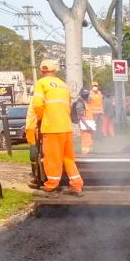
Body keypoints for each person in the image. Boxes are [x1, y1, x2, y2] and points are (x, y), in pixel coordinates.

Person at [32, 59, 84, 198]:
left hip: (51, 127)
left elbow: (37, 104)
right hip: (66, 127)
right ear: (55, 70)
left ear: (41, 70)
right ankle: (76, 185)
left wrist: (40, 119)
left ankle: (51, 186)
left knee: (52, 158)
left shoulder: (41, 83)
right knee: (68, 158)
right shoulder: (63, 85)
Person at [76, 88, 97, 155]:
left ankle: (90, 153)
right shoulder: (80, 103)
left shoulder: (86, 102)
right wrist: (86, 126)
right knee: (86, 141)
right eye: (86, 95)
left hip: (89, 125)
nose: (87, 96)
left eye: (87, 95)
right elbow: (81, 116)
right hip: (85, 126)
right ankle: (85, 154)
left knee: (90, 140)